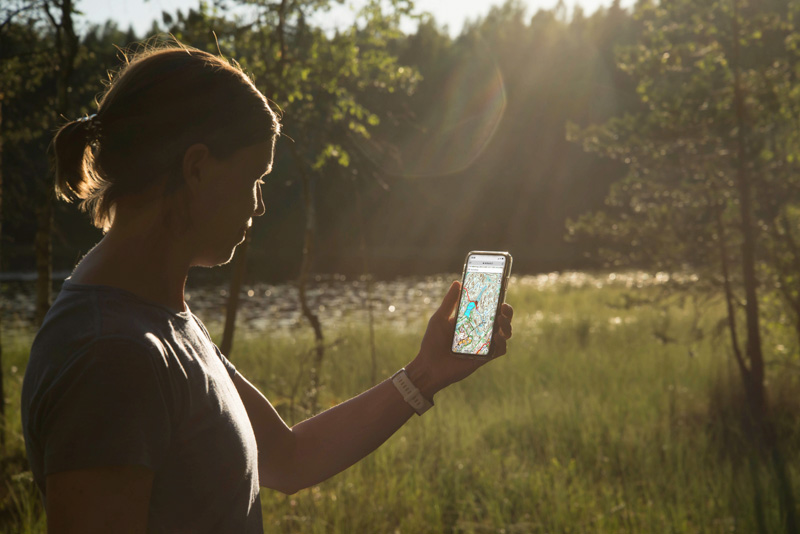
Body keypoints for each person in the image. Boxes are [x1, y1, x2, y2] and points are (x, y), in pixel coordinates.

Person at [21, 43, 514, 534]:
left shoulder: (158, 319)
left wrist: (426, 373)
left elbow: (290, 459)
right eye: (254, 178)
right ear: (196, 168)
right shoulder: (110, 353)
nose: (258, 207)